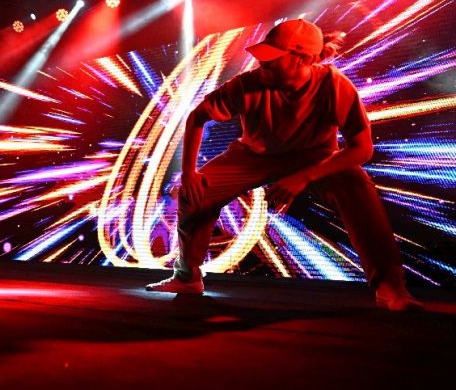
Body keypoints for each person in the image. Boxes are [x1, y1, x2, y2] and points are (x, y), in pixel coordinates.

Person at [146, 19, 423, 312]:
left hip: (313, 157)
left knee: (356, 185)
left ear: (302, 59)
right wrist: (189, 173)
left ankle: (390, 287)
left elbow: (362, 148)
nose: (261, 62)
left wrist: (304, 177)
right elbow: (197, 117)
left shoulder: (334, 85)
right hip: (253, 157)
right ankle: (187, 277)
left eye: (272, 58)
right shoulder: (248, 84)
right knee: (195, 191)